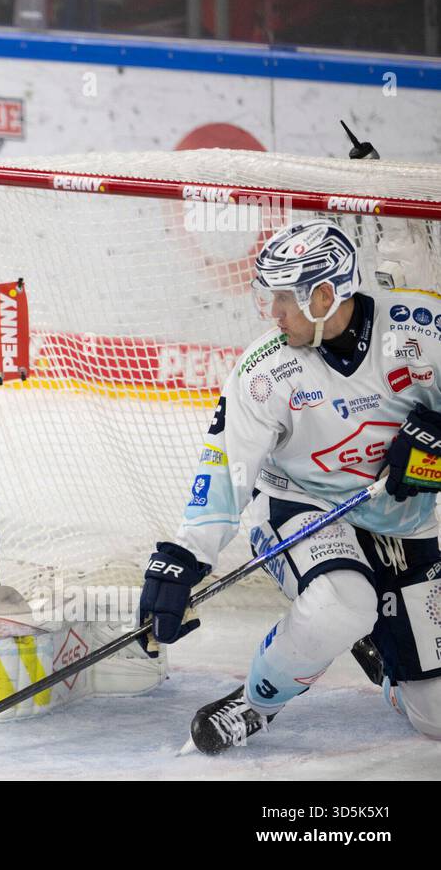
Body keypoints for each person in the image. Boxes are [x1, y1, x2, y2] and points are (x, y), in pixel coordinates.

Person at [140, 220, 441, 753]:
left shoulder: (422, 327)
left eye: (285, 298)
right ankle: (258, 702)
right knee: (340, 603)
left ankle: (385, 656)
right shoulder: (266, 369)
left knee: (436, 716)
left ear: (325, 296)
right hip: (302, 505)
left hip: (404, 519)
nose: (273, 313)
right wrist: (185, 554)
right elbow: (227, 467)